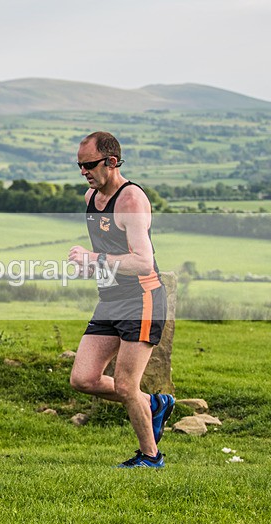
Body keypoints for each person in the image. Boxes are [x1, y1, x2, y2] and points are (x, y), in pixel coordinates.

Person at [67, 131, 174, 468]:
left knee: (127, 383)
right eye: (80, 166)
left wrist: (94, 260)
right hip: (111, 299)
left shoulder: (131, 201)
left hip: (141, 298)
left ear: (111, 162)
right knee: (83, 378)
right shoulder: (91, 198)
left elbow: (142, 260)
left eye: (89, 165)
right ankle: (153, 405)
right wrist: (89, 267)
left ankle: (150, 457)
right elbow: (111, 253)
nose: (84, 172)